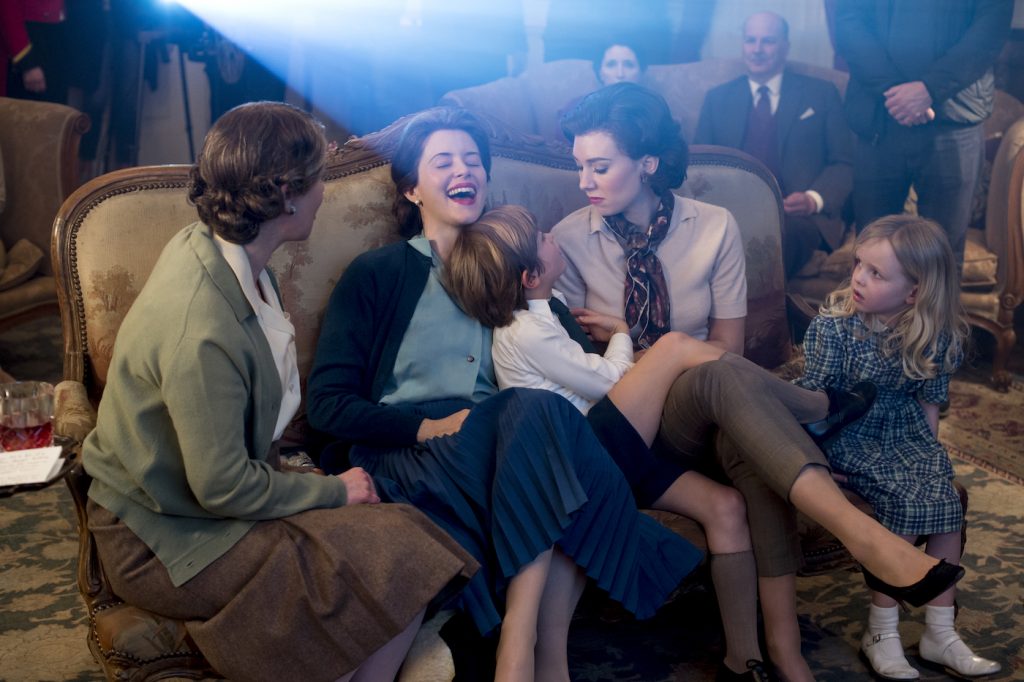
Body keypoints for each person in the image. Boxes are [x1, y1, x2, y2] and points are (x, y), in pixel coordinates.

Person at [554, 82, 966, 681]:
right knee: (712, 378)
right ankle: (855, 513)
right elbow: (573, 372)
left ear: (646, 164)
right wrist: (640, 342)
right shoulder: (567, 240)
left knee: (747, 438)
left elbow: (728, 351)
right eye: (578, 167)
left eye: (599, 166)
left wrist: (634, 338)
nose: (585, 182)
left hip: (714, 406)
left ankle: (773, 654)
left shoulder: (714, 225)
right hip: (632, 422)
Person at [82, 101, 478, 682]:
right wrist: (331, 493)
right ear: (287, 195)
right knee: (399, 555)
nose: (326, 193)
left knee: (410, 542)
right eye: (318, 179)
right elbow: (220, 486)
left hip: (195, 498)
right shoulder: (202, 330)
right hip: (158, 534)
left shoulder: (221, 247)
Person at [306, 107, 702, 682]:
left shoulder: (516, 269)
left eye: (473, 160)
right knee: (545, 431)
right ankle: (525, 652)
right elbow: (328, 405)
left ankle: (534, 656)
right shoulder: (378, 273)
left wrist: (615, 335)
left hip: (508, 447)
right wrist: (424, 429)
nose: (464, 169)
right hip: (408, 452)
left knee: (546, 426)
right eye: (443, 161)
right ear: (413, 188)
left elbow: (579, 365)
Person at [444, 202, 795, 678]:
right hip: (584, 451)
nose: (555, 236)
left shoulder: (550, 313)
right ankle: (808, 406)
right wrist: (624, 335)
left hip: (613, 444)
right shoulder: (525, 332)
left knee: (726, 505)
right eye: (545, 236)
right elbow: (609, 380)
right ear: (531, 276)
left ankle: (744, 658)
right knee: (672, 347)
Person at [796, 215, 1000, 680]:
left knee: (945, 500)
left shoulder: (936, 334)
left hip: (905, 434)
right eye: (859, 265)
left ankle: (940, 632)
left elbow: (929, 405)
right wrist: (818, 460)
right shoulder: (835, 329)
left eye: (876, 273)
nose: (858, 278)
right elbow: (811, 404)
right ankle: (882, 631)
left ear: (914, 293)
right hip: (851, 430)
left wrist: (932, 459)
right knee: (904, 504)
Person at [833, 1, 1014, 270]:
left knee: (944, 255)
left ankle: (935, 316)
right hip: (879, 120)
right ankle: (873, 316)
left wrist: (929, 89)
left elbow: (989, 32)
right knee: (871, 250)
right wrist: (895, 91)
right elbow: (849, 22)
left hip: (955, 122)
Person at [695, 11, 853, 279]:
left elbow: (845, 161)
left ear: (785, 47)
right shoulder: (718, 99)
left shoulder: (821, 93)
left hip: (799, 218)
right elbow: (698, 166)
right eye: (750, 40)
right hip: (730, 212)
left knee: (772, 240)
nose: (757, 50)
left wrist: (813, 200)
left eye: (767, 41)